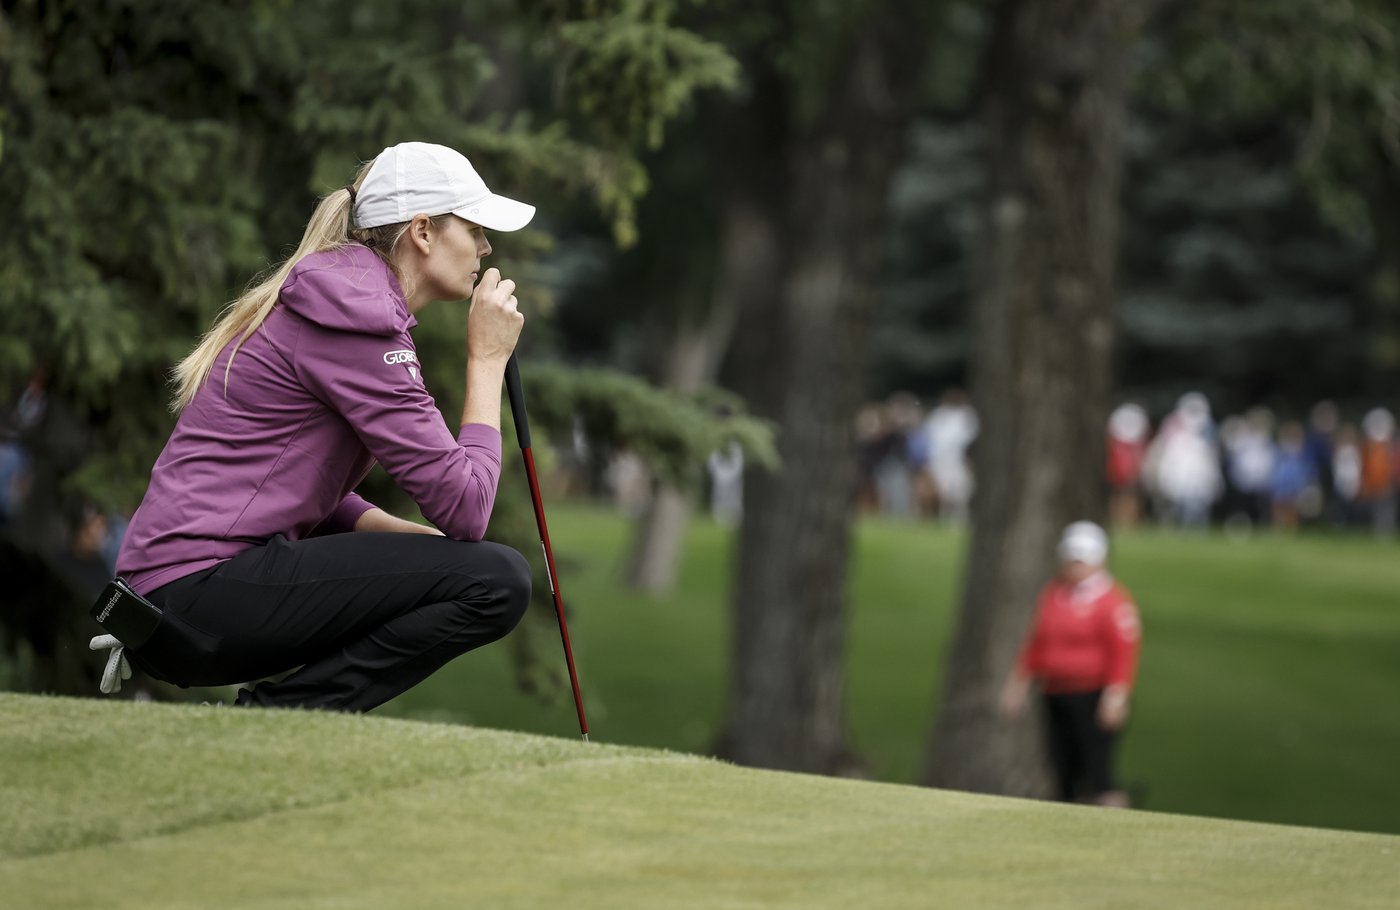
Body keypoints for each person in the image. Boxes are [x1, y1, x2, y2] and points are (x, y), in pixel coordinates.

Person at [108, 142, 536, 711]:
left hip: (167, 601)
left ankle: (284, 716)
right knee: (498, 580)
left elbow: (291, 476)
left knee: (477, 570)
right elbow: (467, 505)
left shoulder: (344, 298)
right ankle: (283, 716)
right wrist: (487, 361)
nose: (485, 246)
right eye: (474, 227)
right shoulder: (358, 317)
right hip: (193, 596)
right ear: (424, 232)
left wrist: (413, 546)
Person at [1001, 521, 1141, 807]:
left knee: (1098, 770)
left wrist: (1116, 696)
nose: (1076, 565)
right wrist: (1019, 682)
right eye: (1072, 558)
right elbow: (1038, 642)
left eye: (1083, 559)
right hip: (1055, 692)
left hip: (1093, 695)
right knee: (1062, 769)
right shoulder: (1054, 594)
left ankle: (1115, 831)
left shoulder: (1113, 602)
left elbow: (1123, 652)